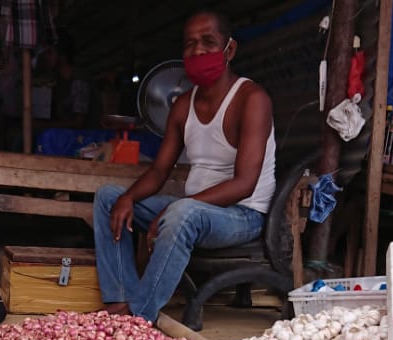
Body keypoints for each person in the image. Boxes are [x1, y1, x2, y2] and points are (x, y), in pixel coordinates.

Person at [93, 9, 275, 322]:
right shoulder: (182, 105)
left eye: (208, 42)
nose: (198, 51)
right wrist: (128, 198)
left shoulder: (252, 98)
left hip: (242, 214)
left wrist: (180, 207)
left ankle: (138, 317)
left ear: (229, 49)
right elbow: (159, 171)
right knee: (109, 198)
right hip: (195, 211)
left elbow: (245, 183)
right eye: (190, 44)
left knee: (181, 212)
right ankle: (119, 300)